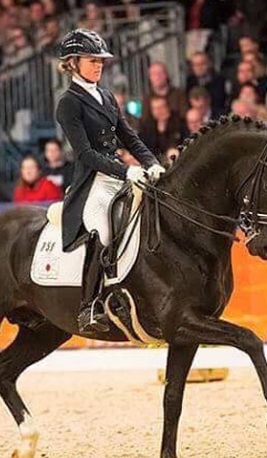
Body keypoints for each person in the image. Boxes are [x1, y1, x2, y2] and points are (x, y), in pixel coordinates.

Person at [55, 28, 164, 332]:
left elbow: (129, 137)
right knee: (101, 229)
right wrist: (126, 171)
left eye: (101, 60)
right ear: (73, 62)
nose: (99, 65)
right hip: (93, 181)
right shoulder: (68, 103)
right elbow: (86, 153)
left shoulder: (106, 96)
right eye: (92, 60)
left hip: (118, 173)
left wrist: (152, 163)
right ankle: (89, 307)